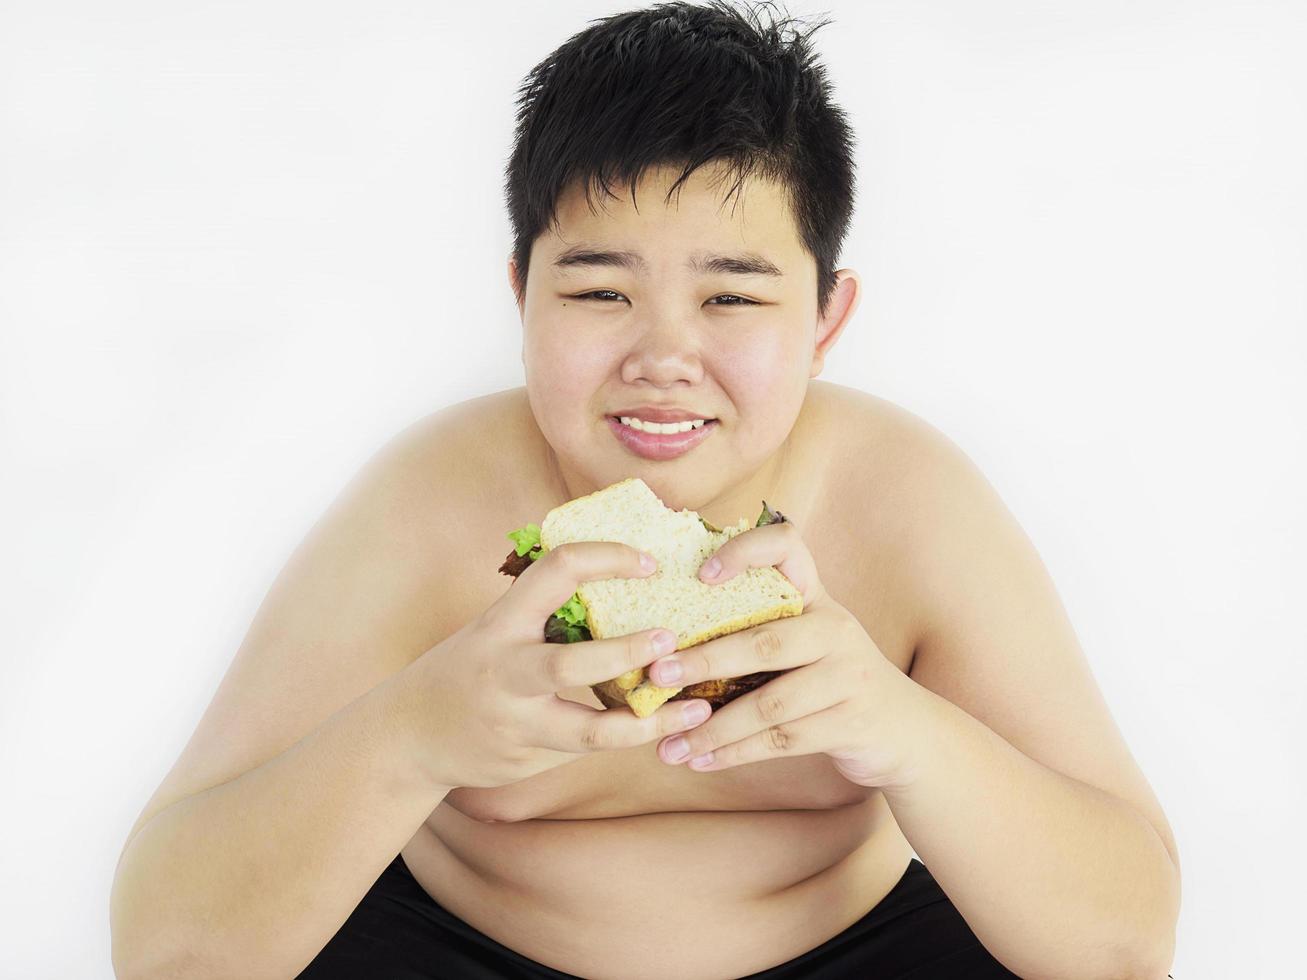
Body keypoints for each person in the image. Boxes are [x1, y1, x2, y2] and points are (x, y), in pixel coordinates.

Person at [109, 2, 1180, 978]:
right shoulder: (427, 501)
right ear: (520, 292)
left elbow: (1122, 945)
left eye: (730, 294)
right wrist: (417, 729)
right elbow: (166, 945)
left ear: (824, 320)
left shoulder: (905, 499)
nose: (663, 356)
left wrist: (899, 727)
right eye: (598, 289)